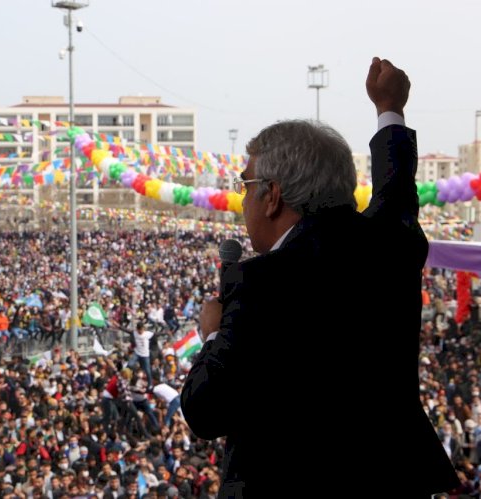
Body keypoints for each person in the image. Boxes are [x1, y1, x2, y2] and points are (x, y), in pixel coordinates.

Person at [181, 57, 459, 497]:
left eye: (245, 186)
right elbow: (397, 193)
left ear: (271, 195)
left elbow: (206, 410)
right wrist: (389, 108)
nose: (241, 201)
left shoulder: (263, 283)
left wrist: (213, 335)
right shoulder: (390, 245)